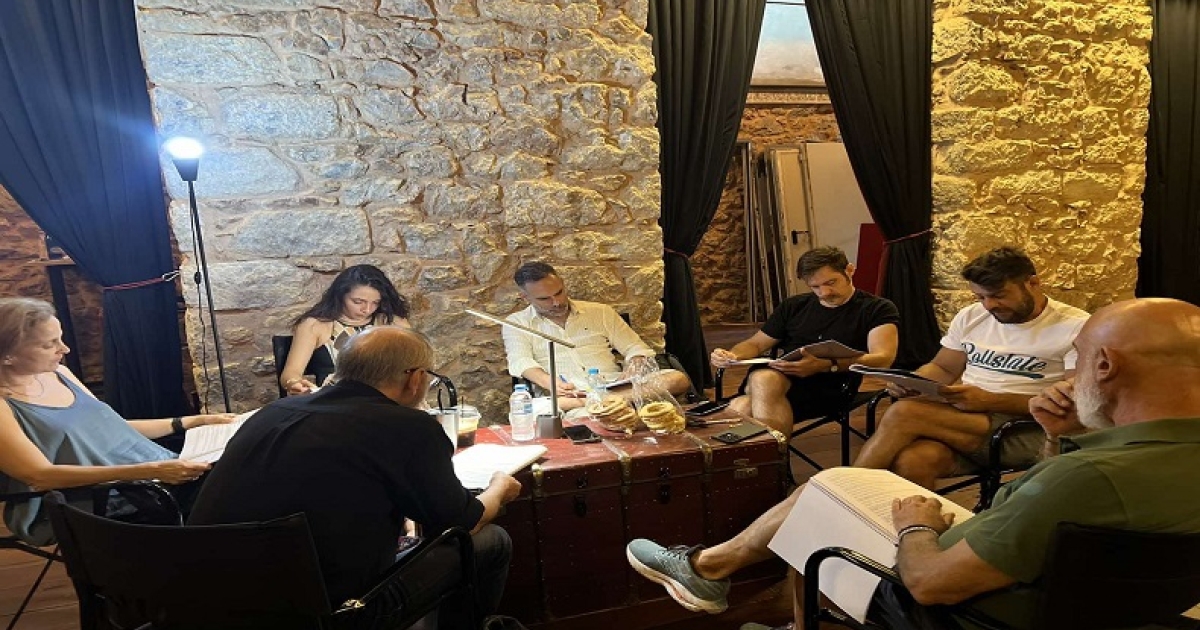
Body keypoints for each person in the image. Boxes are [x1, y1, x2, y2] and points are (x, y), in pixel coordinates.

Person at [627, 298, 1200, 629]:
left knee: (825, 496)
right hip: (1085, 601)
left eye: (1078, 360)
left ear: (1105, 366)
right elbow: (1054, 508)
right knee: (873, 471)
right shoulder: (1134, 462)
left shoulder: (1087, 480)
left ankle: (711, 569)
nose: (1070, 376)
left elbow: (929, 586)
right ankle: (744, 586)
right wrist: (1057, 438)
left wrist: (916, 528)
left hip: (964, 611)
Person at [189, 327, 522, 628]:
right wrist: (499, 487)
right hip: (334, 613)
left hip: (207, 601)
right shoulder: (408, 426)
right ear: (416, 378)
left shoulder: (272, 413)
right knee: (491, 542)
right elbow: (461, 522)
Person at [0, 297, 233, 545]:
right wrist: (151, 471)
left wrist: (193, 421)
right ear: (7, 356)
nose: (65, 349)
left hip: (150, 476)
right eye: (49, 344)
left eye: (60, 338)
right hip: (97, 498)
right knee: (231, 496)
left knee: (242, 471)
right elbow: (41, 477)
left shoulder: (59, 373)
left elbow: (111, 427)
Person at [853, 247, 1090, 489]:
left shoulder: (1076, 327)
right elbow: (943, 368)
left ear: (1033, 283)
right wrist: (913, 381)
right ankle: (910, 514)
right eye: (980, 297)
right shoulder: (971, 316)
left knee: (904, 413)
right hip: (969, 418)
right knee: (914, 461)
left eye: (998, 295)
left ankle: (846, 493)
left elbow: (1076, 405)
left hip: (1030, 427)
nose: (989, 305)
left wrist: (991, 401)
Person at [710, 246, 899, 434]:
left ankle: (769, 453)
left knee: (743, 405)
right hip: (782, 378)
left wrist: (827, 365)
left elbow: (883, 358)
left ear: (849, 270)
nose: (824, 292)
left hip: (832, 384)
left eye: (831, 282)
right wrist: (732, 355)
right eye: (815, 287)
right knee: (762, 379)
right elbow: (756, 344)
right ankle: (775, 453)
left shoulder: (876, 309)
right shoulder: (794, 306)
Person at [502, 261, 691, 410]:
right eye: (544, 299)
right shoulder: (517, 323)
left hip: (614, 386)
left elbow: (636, 348)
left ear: (563, 284)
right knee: (534, 407)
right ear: (525, 298)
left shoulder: (600, 312)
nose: (556, 302)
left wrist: (635, 365)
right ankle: (608, 403)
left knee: (677, 378)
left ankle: (604, 402)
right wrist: (550, 383)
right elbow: (521, 362)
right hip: (570, 394)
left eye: (559, 293)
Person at [280, 264, 411, 395]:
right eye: (358, 302)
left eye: (375, 303)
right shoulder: (315, 325)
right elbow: (291, 373)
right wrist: (295, 384)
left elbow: (416, 364)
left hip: (386, 400)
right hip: (333, 400)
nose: (367, 309)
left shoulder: (393, 322)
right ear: (340, 296)